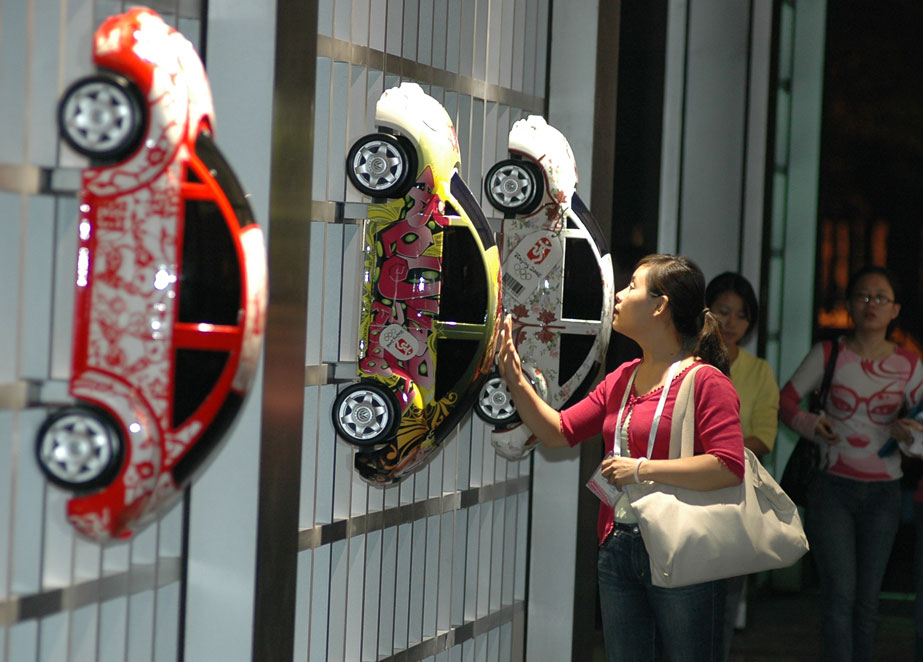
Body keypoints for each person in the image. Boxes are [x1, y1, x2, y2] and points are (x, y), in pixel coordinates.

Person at [497, 254, 746, 662]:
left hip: (681, 546)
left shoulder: (706, 381)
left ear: (660, 306)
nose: (620, 295)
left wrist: (641, 469)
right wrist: (514, 376)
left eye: (633, 286)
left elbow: (727, 466)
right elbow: (558, 432)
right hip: (618, 545)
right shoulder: (624, 376)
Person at [778, 264, 923, 662]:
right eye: (863, 296)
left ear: (895, 310)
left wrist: (909, 432)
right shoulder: (829, 353)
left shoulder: (910, 364)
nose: (871, 304)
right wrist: (810, 423)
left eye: (881, 298)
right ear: (850, 305)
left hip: (885, 493)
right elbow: (785, 401)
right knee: (840, 597)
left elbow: (922, 427)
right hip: (832, 488)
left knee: (868, 601)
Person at [705, 272, 780, 658]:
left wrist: (713, 451)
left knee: (724, 605)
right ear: (706, 312)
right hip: (685, 493)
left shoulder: (758, 371)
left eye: (741, 315)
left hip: (735, 495)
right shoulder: (686, 362)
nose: (731, 323)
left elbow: (764, 437)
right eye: (722, 311)